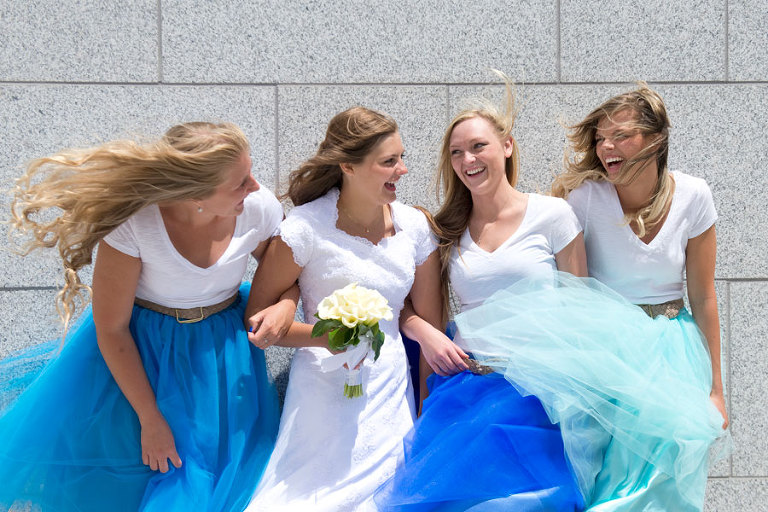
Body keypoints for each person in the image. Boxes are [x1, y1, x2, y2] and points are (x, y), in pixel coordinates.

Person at [457, 85, 729, 511]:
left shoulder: (694, 195)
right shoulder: (583, 200)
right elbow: (568, 287)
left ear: (656, 138)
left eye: (620, 135)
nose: (605, 147)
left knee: (666, 482)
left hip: (673, 353)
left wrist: (716, 390)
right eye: (601, 138)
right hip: (607, 352)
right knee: (612, 481)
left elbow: (704, 295)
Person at [0, 122, 287, 512]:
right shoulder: (136, 223)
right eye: (240, 182)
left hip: (221, 354)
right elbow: (111, 327)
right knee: (138, 472)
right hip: (144, 350)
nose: (255, 186)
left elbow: (288, 270)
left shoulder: (257, 207)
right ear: (195, 194)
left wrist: (286, 305)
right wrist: (150, 418)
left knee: (217, 471)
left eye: (250, 173)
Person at [375, 80, 589, 511]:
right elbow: (399, 303)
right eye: (456, 152)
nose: (467, 160)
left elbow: (581, 309)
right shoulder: (445, 231)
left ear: (507, 146)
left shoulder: (554, 215)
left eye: (478, 147)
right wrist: (424, 335)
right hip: (468, 387)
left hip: (538, 395)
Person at [243, 106, 467, 511]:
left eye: (402, 157)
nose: (402, 169)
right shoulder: (305, 228)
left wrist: (426, 418)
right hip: (321, 392)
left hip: (388, 390)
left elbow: (429, 329)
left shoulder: (414, 228)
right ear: (347, 166)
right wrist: (325, 337)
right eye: (389, 161)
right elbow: (257, 322)